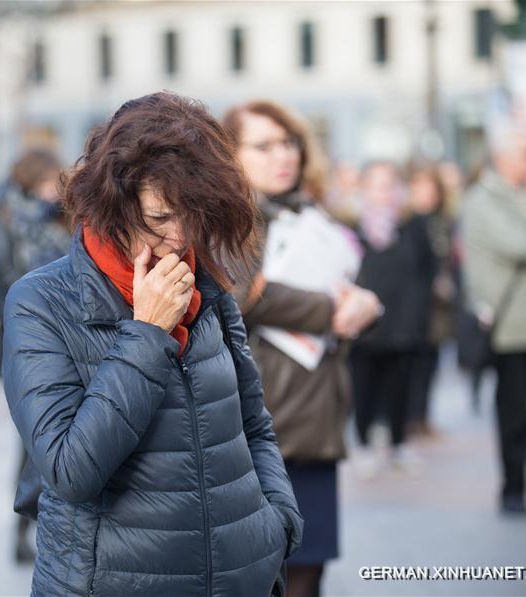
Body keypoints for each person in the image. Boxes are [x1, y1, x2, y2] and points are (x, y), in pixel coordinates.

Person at [2, 92, 303, 596]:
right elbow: (69, 470)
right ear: (111, 205)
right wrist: (147, 333)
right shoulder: (40, 302)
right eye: (160, 218)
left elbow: (254, 423)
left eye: (194, 215)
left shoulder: (205, 282)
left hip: (239, 575)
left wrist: (277, 521)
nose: (179, 235)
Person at [223, 100, 380, 597]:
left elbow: (347, 284)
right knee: (266, 571)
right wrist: (327, 309)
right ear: (230, 153)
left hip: (318, 411)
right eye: (263, 145)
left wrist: (364, 305)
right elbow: (242, 291)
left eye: (288, 141)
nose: (281, 155)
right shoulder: (230, 217)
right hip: (260, 419)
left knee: (310, 567)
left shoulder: (312, 213)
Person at [461, 122, 526, 514]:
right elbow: (524, 247)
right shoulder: (481, 200)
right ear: (504, 159)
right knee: (513, 414)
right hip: (509, 327)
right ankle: (512, 490)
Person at [0, 148, 71, 562]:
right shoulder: (6, 215)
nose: (48, 193)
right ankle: (23, 527)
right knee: (31, 436)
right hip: (26, 332)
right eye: (43, 184)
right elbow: (3, 272)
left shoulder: (64, 214)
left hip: (70, 330)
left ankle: (44, 530)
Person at [350, 161, 437, 474]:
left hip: (402, 323)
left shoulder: (411, 227)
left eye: (389, 185)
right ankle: (362, 443)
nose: (384, 192)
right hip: (363, 327)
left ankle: (399, 443)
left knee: (400, 385)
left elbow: (427, 271)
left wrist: (418, 315)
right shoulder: (352, 229)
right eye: (376, 185)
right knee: (364, 386)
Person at [406, 163, 456, 438]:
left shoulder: (441, 221)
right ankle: (411, 417)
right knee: (415, 362)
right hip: (414, 304)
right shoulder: (408, 222)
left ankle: (423, 416)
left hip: (437, 306)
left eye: (430, 188)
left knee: (432, 359)